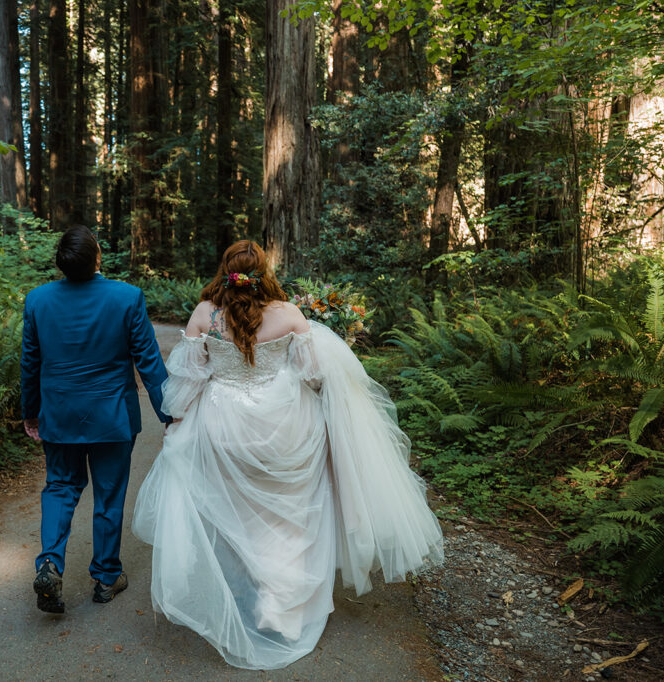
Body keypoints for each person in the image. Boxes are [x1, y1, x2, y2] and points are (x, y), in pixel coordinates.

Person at [132, 240, 444, 669]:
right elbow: (314, 375)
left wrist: (179, 422)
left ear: (226, 271)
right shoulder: (289, 314)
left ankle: (243, 592)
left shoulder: (206, 314)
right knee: (290, 515)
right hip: (284, 428)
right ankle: (280, 604)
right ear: (264, 272)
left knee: (239, 513)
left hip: (224, 427)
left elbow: (186, 382)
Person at [21, 225, 172, 614]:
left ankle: (50, 563)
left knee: (60, 487)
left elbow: (30, 364)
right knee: (108, 493)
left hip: (59, 415)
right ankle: (106, 578)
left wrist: (31, 412)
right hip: (112, 416)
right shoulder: (127, 297)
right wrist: (170, 413)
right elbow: (149, 363)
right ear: (98, 257)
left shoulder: (37, 301)